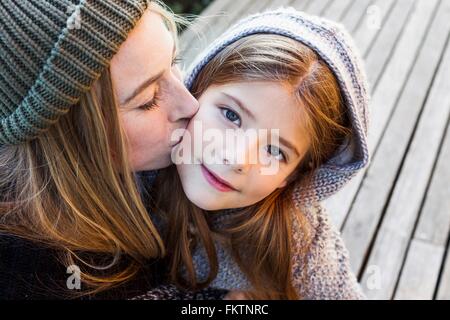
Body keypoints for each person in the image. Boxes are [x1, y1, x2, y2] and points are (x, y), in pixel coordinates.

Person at [0, 0, 225, 299]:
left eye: (174, 61)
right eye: (148, 99)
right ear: (69, 143)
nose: (190, 104)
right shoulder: (44, 280)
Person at [148, 8, 370, 300]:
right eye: (231, 115)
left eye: (275, 151)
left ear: (292, 176)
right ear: (196, 90)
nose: (237, 158)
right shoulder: (138, 167)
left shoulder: (297, 241)